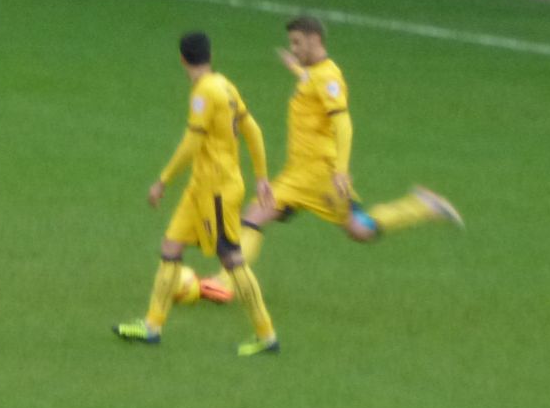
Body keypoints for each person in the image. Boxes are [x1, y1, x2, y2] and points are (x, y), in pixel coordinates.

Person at [197, 17, 462, 303]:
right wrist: (296, 68)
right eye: (292, 43)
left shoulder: (328, 76)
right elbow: (313, 84)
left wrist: (341, 171)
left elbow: (343, 123)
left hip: (318, 175)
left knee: (265, 218)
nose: (294, 47)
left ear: (315, 40)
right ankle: (422, 206)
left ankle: (225, 283)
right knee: (348, 228)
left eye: (298, 42)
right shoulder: (314, 73)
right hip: (299, 172)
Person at [113, 32, 280, 357]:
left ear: (182, 59)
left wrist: (162, 180)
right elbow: (253, 130)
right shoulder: (225, 85)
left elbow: (192, 143)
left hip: (217, 189)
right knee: (171, 246)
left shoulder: (204, 93)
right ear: (209, 55)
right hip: (201, 187)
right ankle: (152, 326)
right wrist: (261, 176)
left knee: (231, 259)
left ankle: (266, 335)